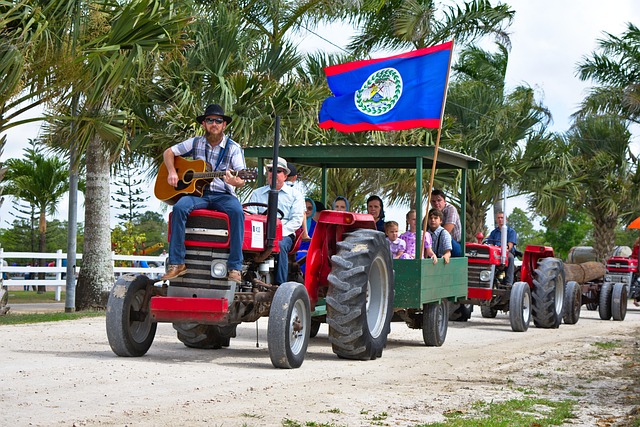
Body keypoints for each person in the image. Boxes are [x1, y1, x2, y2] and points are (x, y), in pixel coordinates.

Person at [161, 104, 246, 282]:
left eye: (218, 121)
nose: (213, 124)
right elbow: (169, 152)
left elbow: (242, 178)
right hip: (197, 194)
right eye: (210, 120)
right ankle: (177, 263)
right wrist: (172, 172)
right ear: (204, 124)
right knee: (179, 208)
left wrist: (234, 181)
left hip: (223, 195)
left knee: (238, 212)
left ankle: (234, 267)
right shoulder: (195, 142)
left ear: (224, 125)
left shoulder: (233, 148)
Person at [248, 157, 305, 285]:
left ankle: (280, 286)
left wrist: (278, 232)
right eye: (270, 170)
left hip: (284, 233)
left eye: (278, 171)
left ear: (285, 176)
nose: (273, 173)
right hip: (260, 233)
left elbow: (296, 220)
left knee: (279, 245)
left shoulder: (295, 195)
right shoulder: (257, 193)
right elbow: (251, 214)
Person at [486, 211, 518, 286]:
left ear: (506, 220)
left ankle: (508, 282)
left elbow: (510, 245)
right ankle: (487, 279)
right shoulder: (493, 232)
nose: (500, 219)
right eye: (498, 218)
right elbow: (490, 244)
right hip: (495, 253)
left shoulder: (511, 232)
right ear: (496, 220)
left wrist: (504, 248)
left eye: (502, 218)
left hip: (506, 253)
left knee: (510, 258)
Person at [430, 189, 462, 257]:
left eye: (439, 200)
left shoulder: (451, 209)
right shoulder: (431, 212)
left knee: (444, 235)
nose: (436, 203)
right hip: (437, 243)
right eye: (433, 201)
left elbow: (447, 230)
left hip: (454, 243)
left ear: (444, 201)